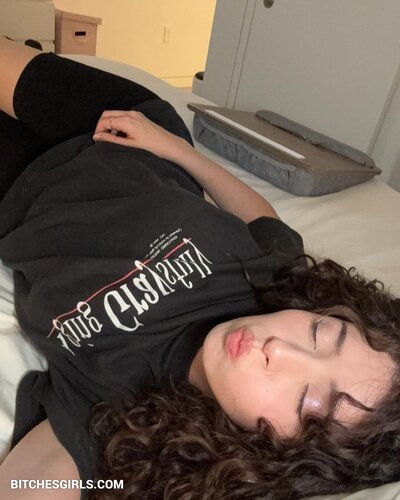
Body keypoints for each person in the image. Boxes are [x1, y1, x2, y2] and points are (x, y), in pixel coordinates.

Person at [0, 38, 399, 500]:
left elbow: (26, 484)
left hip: (13, 187)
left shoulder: (127, 416)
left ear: (283, 455)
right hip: (117, 126)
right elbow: (263, 217)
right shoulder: (276, 279)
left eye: (308, 400)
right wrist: (179, 151)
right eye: (321, 333)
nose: (280, 348)